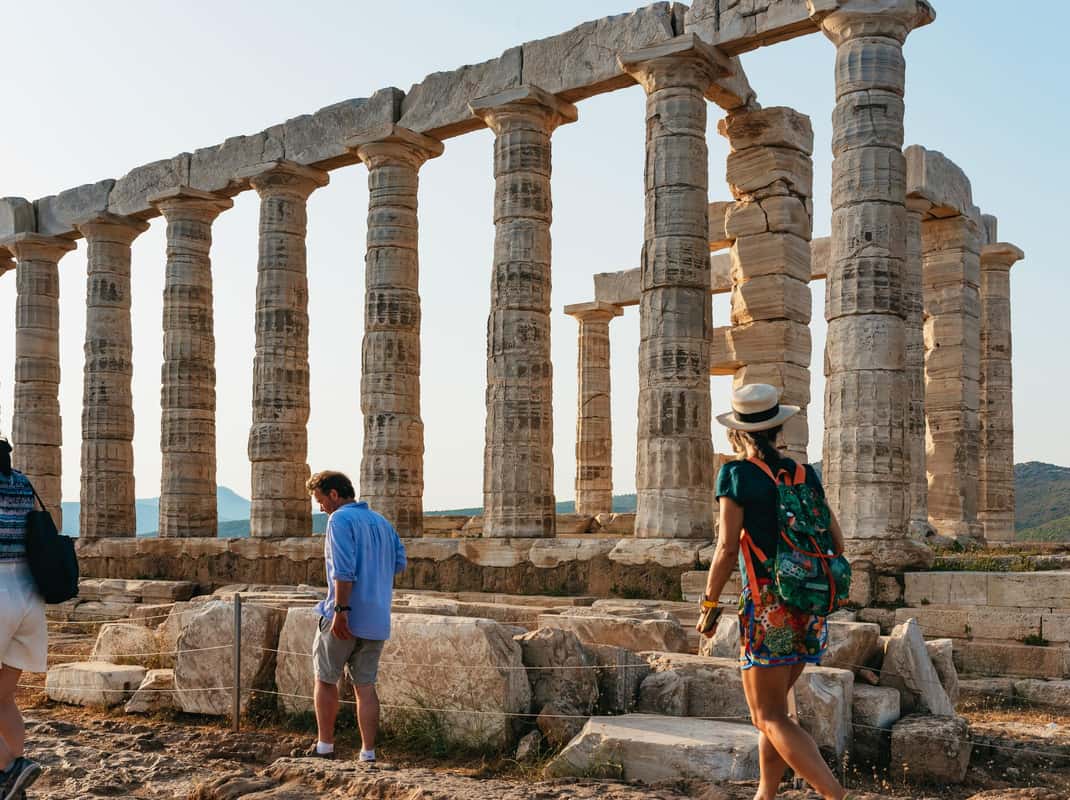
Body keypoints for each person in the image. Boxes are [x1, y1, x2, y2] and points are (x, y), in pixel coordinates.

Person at [699, 385, 852, 800]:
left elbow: (728, 547)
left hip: (769, 604)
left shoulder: (736, 475)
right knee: (776, 709)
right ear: (778, 426)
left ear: (738, 432)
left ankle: (835, 795)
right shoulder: (804, 473)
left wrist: (710, 605)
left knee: (767, 715)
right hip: (810, 603)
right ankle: (765, 794)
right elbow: (837, 540)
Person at [305, 470, 406, 763]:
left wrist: (341, 611)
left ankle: (325, 747)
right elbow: (400, 563)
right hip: (377, 617)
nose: (320, 508)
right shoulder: (382, 522)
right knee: (365, 687)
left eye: (320, 500)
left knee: (325, 679)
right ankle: (368, 753)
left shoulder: (339, 519)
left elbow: (343, 569)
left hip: (344, 615)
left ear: (334, 494)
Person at [0, 436, 45, 800]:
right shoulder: (22, 482)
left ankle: (8, 768)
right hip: (29, 591)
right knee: (4, 697)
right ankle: (14, 788)